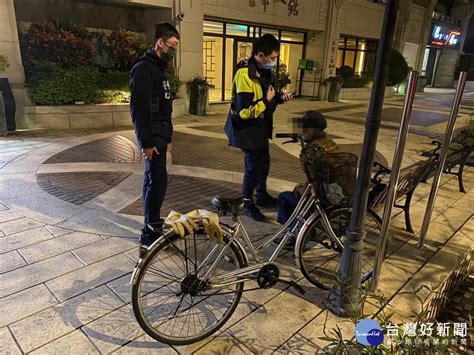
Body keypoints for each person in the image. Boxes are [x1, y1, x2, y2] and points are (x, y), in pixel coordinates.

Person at [224, 34, 293, 222]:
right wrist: (267, 100)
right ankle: (247, 203)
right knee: (253, 167)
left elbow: (268, 97)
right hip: (248, 130)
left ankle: (261, 195)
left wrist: (279, 98)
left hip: (260, 128)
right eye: (272, 58)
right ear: (260, 55)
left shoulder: (264, 72)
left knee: (264, 163)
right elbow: (245, 112)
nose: (274, 62)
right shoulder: (245, 74)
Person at [130, 23, 180, 250]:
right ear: (160, 42)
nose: (174, 50)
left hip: (161, 134)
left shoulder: (162, 69)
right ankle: (149, 232)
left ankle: (151, 224)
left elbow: (164, 106)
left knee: (154, 181)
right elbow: (139, 109)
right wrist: (146, 143)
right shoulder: (144, 69)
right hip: (153, 136)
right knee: (156, 183)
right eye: (172, 45)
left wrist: (168, 137)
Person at [276, 111, 337, 225]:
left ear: (311, 130)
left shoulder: (312, 150)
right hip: (336, 191)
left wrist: (302, 189)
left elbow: (312, 178)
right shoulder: (329, 143)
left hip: (322, 195)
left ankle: (291, 234)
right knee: (298, 189)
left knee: (284, 197)